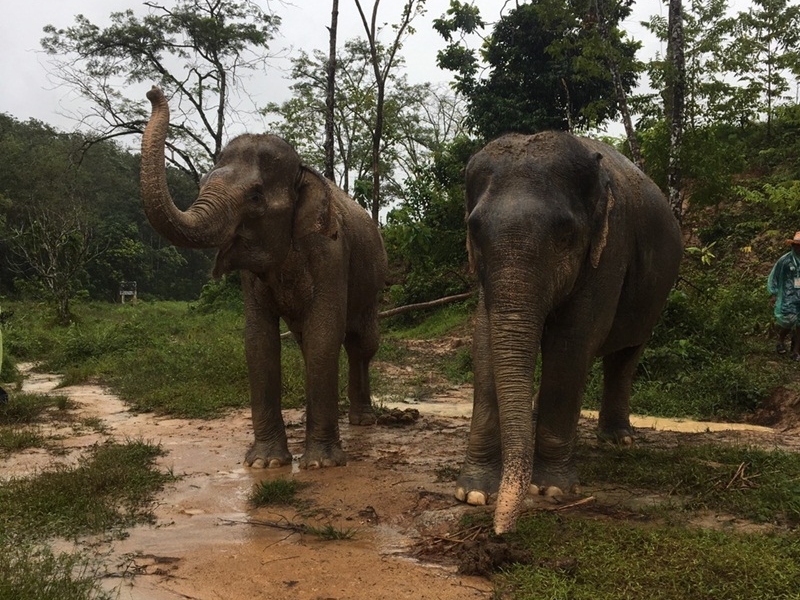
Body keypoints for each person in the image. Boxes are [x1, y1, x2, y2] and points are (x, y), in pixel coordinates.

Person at [767, 231, 800, 361]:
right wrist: (773, 293)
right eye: (797, 245)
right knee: (788, 321)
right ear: (793, 246)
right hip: (788, 296)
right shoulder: (785, 261)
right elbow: (774, 276)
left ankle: (796, 351)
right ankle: (780, 340)